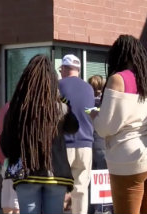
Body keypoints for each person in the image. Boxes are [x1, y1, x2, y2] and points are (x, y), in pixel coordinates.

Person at [91, 34, 147, 214]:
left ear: (117, 56)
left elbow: (106, 127)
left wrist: (95, 116)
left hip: (128, 162)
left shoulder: (118, 80)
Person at [0, 54, 79, 214]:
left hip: (27, 173)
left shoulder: (17, 108)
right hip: (56, 173)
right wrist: (61, 99)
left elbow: (6, 145)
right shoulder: (60, 108)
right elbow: (74, 127)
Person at [58, 54, 95, 214]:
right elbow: (91, 112)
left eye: (61, 69)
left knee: (58, 188)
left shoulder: (58, 86)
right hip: (86, 144)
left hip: (63, 144)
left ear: (65, 69)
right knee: (80, 190)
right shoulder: (89, 88)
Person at [88, 75, 113, 214]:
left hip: (89, 145)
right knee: (103, 180)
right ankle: (103, 209)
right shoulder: (105, 104)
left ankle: (91, 209)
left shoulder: (88, 104)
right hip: (104, 145)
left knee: (90, 181)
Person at [0, 102, 20, 214]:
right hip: (18, 159)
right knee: (16, 198)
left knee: (7, 195)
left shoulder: (5, 108)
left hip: (5, 160)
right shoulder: (22, 108)